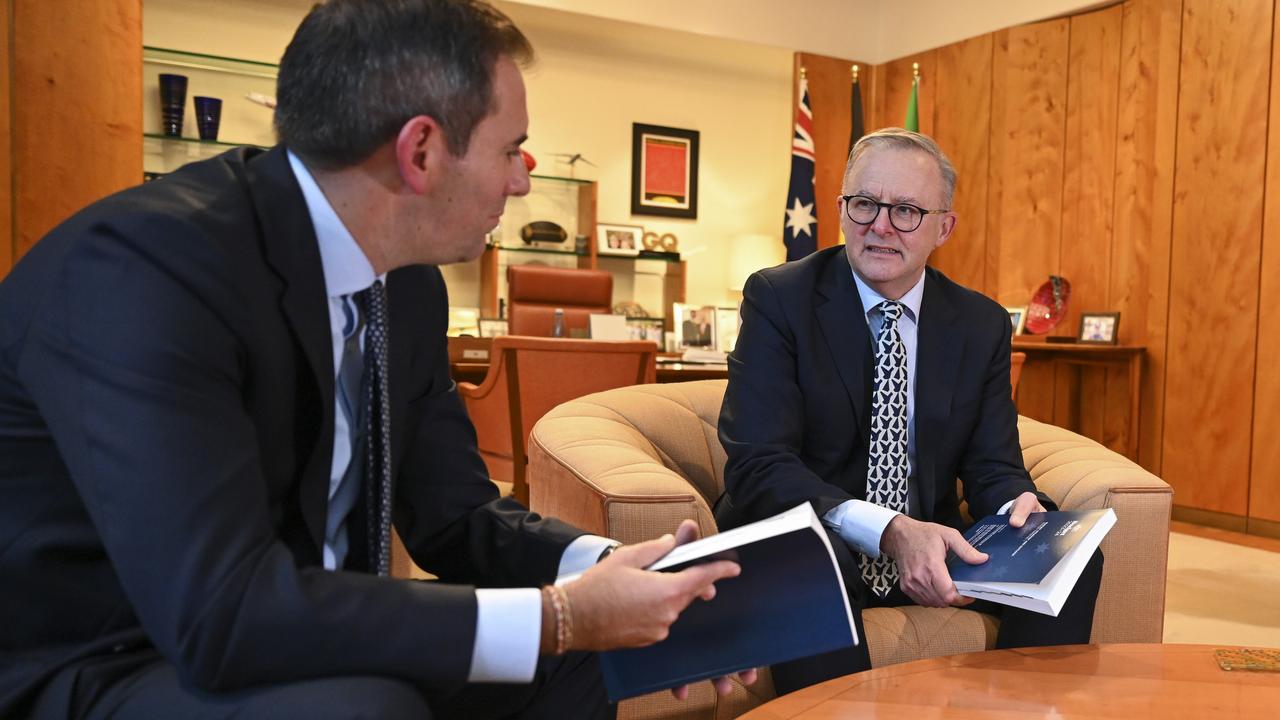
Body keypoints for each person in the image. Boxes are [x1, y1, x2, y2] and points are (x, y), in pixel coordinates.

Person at [0, 1, 751, 717]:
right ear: (420, 150)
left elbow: (455, 518)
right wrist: (557, 617)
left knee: (569, 658)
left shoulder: (405, 280)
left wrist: (618, 574)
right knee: (369, 706)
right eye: (509, 149)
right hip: (105, 657)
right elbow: (219, 613)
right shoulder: (151, 271)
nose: (522, 180)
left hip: (283, 624)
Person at [714, 128, 1103, 694]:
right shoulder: (780, 299)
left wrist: (1021, 511)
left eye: (906, 211)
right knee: (815, 561)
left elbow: (993, 466)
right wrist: (889, 530)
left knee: (1070, 558)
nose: (880, 225)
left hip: (931, 545)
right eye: (865, 203)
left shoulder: (979, 323)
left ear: (944, 227)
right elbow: (757, 466)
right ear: (843, 210)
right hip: (813, 531)